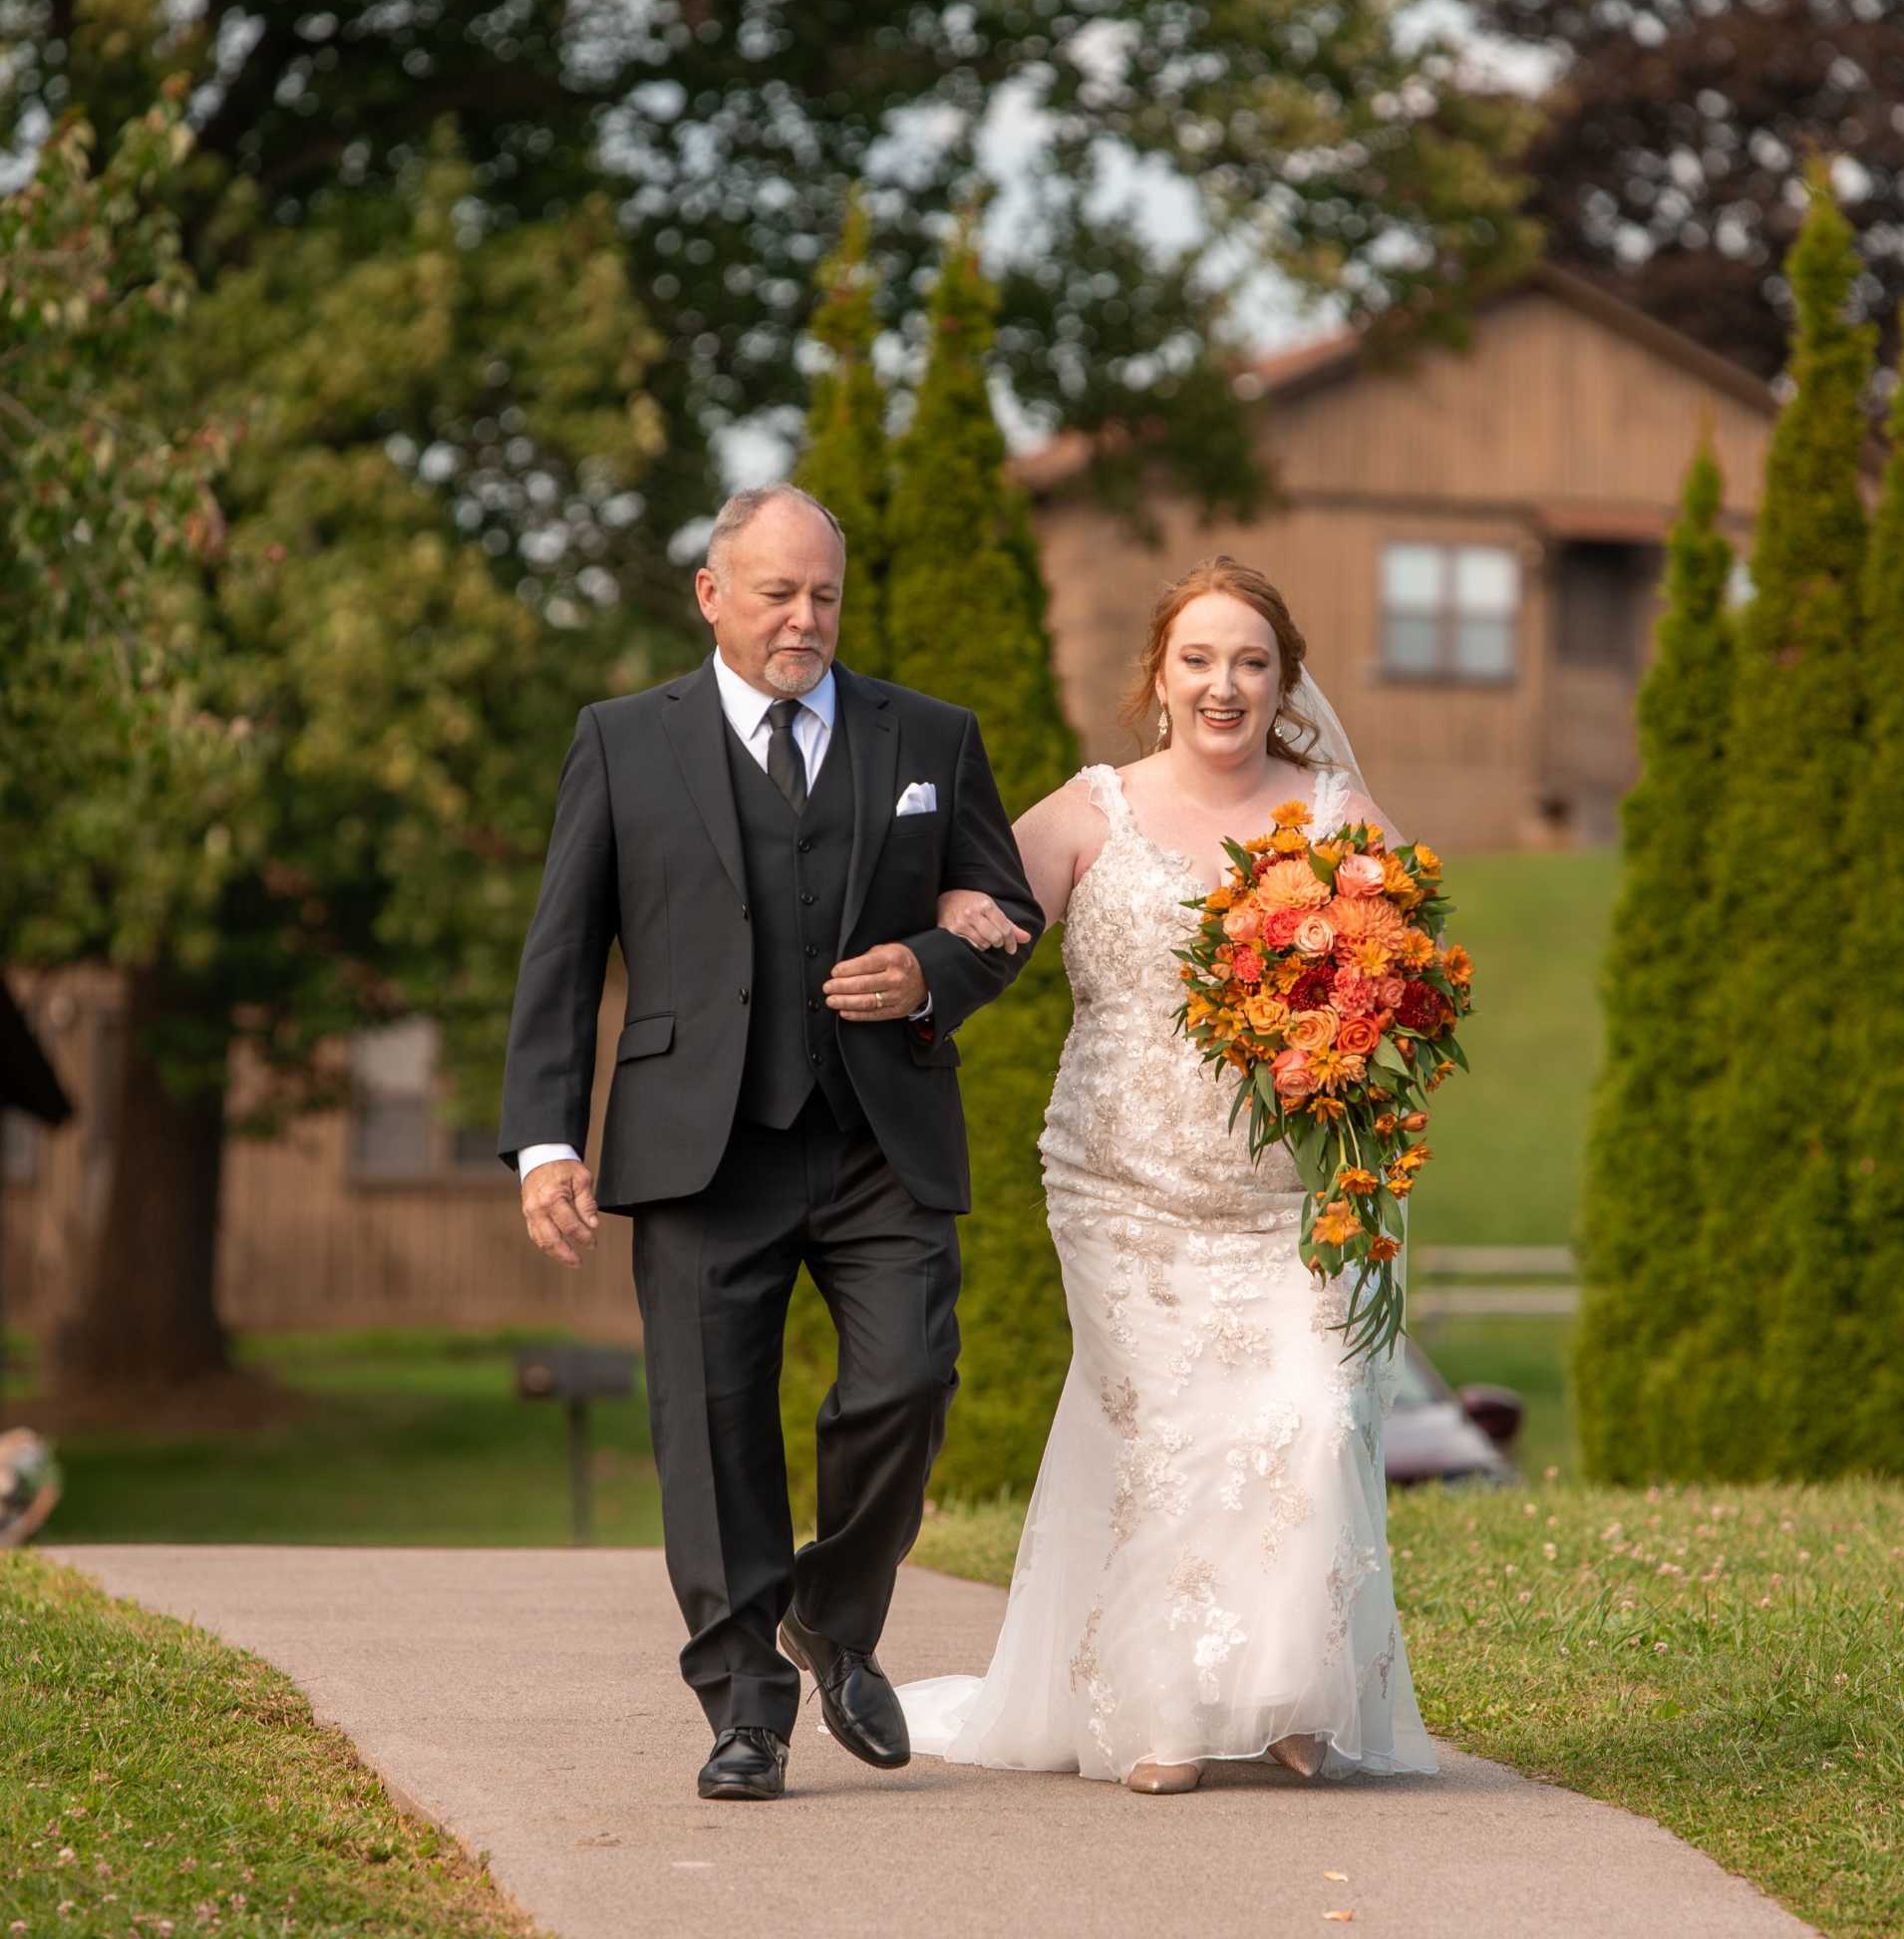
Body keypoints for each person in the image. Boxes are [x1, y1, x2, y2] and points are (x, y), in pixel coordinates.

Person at [496, 482, 1043, 1801]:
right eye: (778, 593)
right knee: (713, 1429)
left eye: (824, 595)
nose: (805, 618)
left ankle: (834, 1613)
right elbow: (565, 952)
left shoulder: (930, 736)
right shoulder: (625, 743)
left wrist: (926, 972)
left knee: (907, 1380)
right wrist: (542, 1143)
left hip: (878, 1138)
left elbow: (1006, 912)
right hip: (701, 1146)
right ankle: (746, 1707)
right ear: (712, 596)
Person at [898, 554, 1439, 1794]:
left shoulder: (1332, 809)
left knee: (1305, 1420)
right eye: (1197, 657)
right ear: (1157, 675)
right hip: (1120, 1184)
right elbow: (974, 923)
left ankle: (1292, 1693)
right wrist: (918, 962)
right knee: (1167, 1427)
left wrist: (1352, 1012)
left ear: (1283, 681)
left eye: (1250, 660)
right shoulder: (1091, 811)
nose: (1223, 683)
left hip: (1288, 1194)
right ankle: (1152, 1711)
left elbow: (1412, 970)